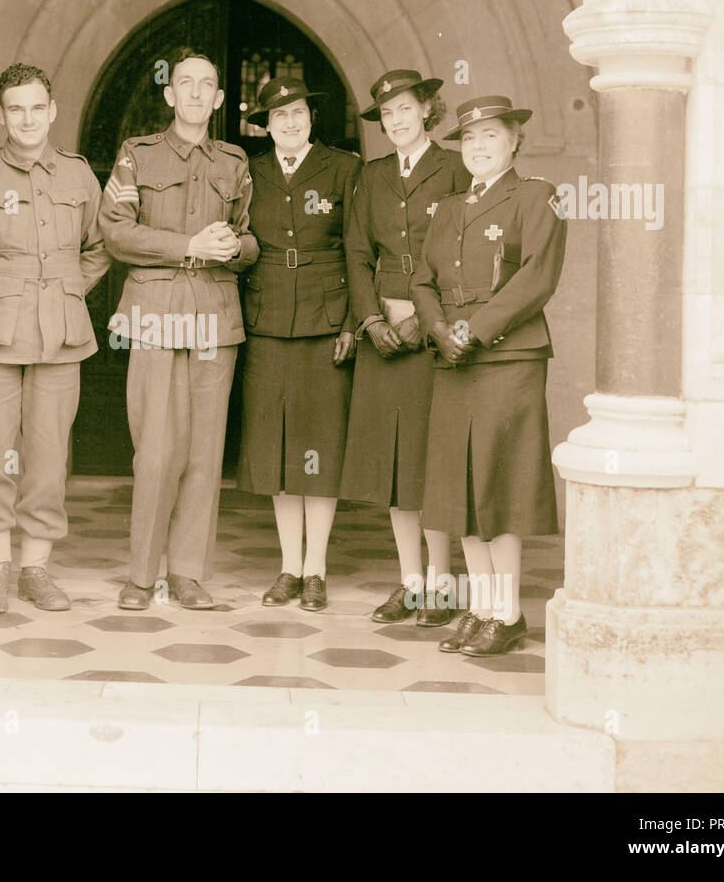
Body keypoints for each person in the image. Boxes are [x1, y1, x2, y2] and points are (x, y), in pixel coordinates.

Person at [99, 47, 259, 610]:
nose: (194, 93)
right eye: (184, 83)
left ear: (218, 100)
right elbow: (115, 231)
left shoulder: (234, 162)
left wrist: (235, 247)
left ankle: (188, 572)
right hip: (155, 315)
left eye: (206, 85)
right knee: (157, 451)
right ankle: (142, 575)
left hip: (215, 318)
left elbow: (250, 236)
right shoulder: (136, 155)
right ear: (169, 95)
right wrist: (187, 246)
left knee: (204, 451)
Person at [411, 95, 566, 656]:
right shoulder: (448, 208)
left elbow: (536, 278)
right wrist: (439, 330)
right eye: (470, 139)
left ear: (514, 141)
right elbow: (423, 282)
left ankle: (508, 612)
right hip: (454, 355)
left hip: (505, 355)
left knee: (500, 488)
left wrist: (472, 331)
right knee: (461, 489)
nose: (478, 147)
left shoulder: (535, 196)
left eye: (491, 137)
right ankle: (479, 608)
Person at [0, 63, 111, 614]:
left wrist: (68, 290)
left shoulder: (78, 175)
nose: (27, 119)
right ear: (0, 115)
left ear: (52, 111)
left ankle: (37, 568)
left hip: (62, 332)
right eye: (15, 109)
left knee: (49, 456)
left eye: (37, 107)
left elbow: (99, 245)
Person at [340, 70, 470, 626]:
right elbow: (356, 252)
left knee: (429, 461)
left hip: (432, 337)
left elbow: (462, 252)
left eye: (404, 108)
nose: (395, 120)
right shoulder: (371, 178)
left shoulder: (456, 168)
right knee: (394, 466)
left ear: (427, 109)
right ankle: (409, 583)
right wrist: (371, 319)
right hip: (383, 340)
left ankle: (441, 585)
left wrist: (427, 318)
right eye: (386, 112)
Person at [237, 76, 360, 612]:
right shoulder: (251, 171)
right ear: (265, 124)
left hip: (325, 318)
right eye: (279, 114)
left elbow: (359, 250)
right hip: (266, 320)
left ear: (312, 117)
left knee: (320, 448)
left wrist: (353, 322)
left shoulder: (343, 167)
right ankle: (289, 566)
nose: (290, 122)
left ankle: (317, 570)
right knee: (277, 448)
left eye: (299, 112)